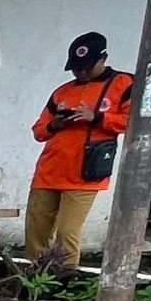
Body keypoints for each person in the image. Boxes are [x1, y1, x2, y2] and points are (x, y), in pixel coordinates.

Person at [26, 31, 134, 268]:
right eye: (76, 68)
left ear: (103, 58)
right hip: (50, 170)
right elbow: (38, 131)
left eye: (86, 67)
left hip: (85, 173)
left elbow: (134, 122)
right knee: (36, 230)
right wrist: (54, 125)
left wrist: (97, 118)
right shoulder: (62, 91)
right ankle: (35, 276)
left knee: (67, 232)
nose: (81, 72)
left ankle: (66, 278)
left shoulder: (123, 83)